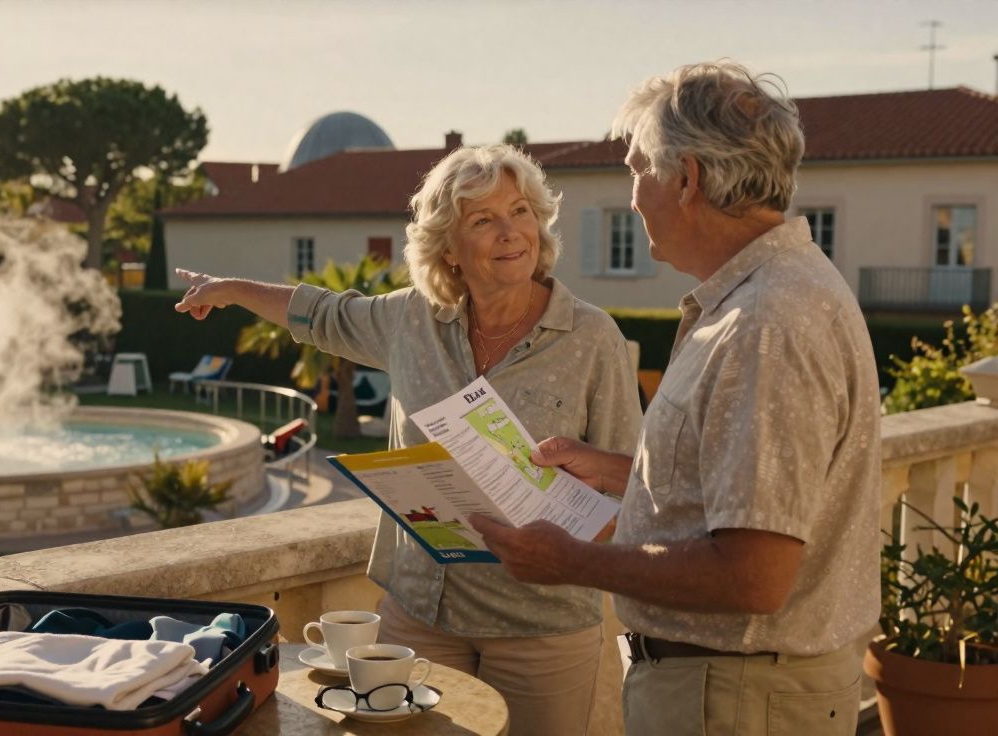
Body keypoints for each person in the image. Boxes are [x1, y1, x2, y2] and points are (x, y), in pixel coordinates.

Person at [174, 144, 642, 734]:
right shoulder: (410, 320)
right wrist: (229, 289)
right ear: (448, 248)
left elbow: (633, 478)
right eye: (483, 220)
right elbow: (321, 314)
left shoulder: (592, 338)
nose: (510, 232)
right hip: (421, 613)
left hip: (540, 623)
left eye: (521, 211)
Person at [472, 62, 881, 735]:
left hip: (734, 698)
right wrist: (623, 473)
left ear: (686, 178)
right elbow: (748, 492)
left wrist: (568, 561)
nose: (634, 198)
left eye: (637, 170)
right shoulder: (782, 291)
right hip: (741, 689)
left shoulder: (765, 323)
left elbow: (753, 576)